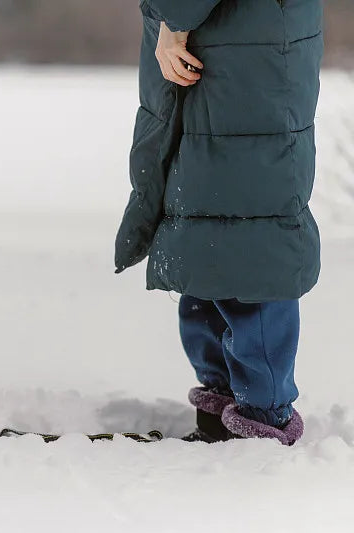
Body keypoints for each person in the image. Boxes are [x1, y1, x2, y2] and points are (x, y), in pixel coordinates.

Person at [115, 0, 323, 445]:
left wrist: (174, 20)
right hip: (239, 41)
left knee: (248, 234)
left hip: (241, 46)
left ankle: (259, 420)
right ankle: (226, 407)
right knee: (208, 228)